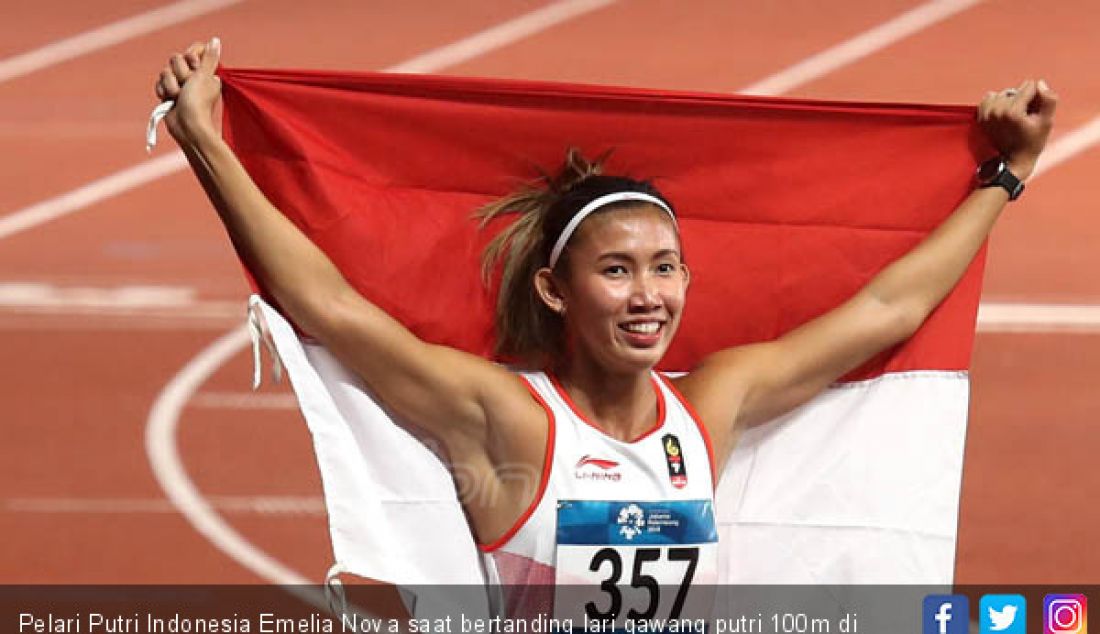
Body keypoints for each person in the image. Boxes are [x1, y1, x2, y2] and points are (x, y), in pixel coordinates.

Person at [155, 37, 1056, 616]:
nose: (648, 296)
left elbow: (886, 311)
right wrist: (206, 144)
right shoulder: (506, 421)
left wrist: (1004, 180)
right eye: (617, 272)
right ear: (554, 289)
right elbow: (329, 305)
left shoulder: (708, 411)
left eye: (665, 269)